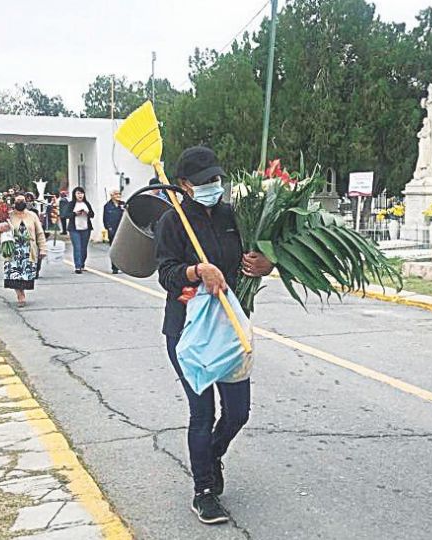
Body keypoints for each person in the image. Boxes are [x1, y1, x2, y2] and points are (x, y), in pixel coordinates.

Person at [155, 146, 273, 525]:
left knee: (238, 412)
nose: (214, 186)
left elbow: (249, 260)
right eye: (205, 182)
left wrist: (264, 264)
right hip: (189, 331)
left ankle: (212, 454)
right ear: (186, 185)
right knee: (201, 412)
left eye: (217, 179)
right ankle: (204, 490)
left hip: (230, 327)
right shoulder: (172, 222)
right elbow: (167, 275)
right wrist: (196, 271)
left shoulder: (231, 215)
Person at [4, 193, 47, 307]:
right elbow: (2, 233)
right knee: (14, 274)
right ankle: (20, 295)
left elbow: (39, 233)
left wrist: (43, 249)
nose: (20, 203)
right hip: (13, 250)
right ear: (14, 203)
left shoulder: (32, 215)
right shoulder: (9, 216)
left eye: (22, 201)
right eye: (18, 201)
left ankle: (22, 291)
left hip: (28, 249)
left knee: (25, 275)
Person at [63, 186, 94, 274]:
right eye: (78, 193)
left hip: (86, 228)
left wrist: (87, 212)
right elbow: (66, 215)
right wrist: (75, 213)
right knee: (77, 247)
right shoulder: (71, 204)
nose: (80, 195)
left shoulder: (86, 204)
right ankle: (77, 266)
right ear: (75, 195)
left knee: (84, 247)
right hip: (74, 229)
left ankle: (82, 264)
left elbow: (92, 215)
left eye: (82, 193)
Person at [102, 188, 126, 274]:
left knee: (123, 249)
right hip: (113, 230)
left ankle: (122, 266)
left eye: (119, 194)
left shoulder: (123, 204)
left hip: (123, 229)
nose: (118, 196)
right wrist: (108, 228)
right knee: (114, 249)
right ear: (111, 196)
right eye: (116, 194)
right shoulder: (107, 206)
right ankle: (114, 266)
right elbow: (105, 219)